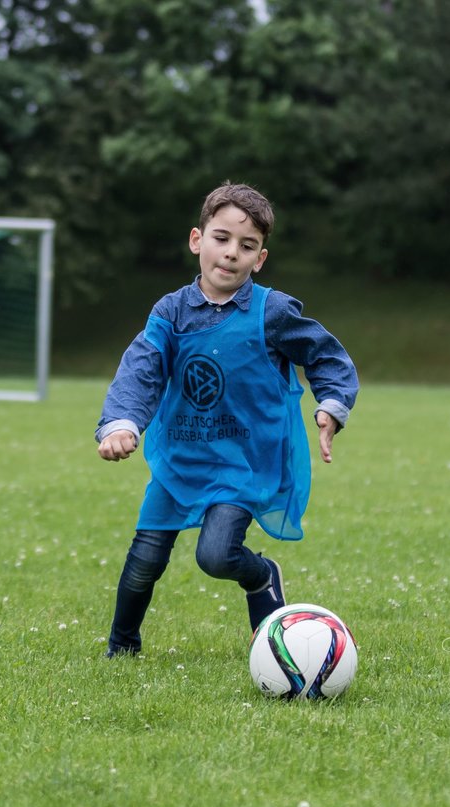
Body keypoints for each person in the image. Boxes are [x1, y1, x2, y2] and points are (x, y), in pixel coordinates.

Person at [96, 182, 359, 658]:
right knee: (144, 560)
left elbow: (325, 355)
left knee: (216, 556)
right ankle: (121, 648)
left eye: (247, 245)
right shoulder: (170, 312)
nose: (231, 253)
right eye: (221, 238)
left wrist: (331, 405)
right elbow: (142, 369)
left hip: (243, 462)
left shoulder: (272, 311)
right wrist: (122, 423)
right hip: (182, 458)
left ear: (260, 259)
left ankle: (261, 576)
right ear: (197, 240)